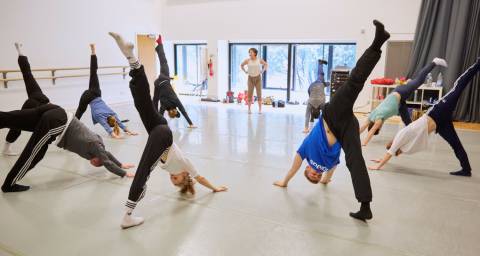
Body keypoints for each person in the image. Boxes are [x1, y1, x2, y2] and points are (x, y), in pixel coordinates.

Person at [273, 20, 391, 222]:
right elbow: (331, 173)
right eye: (316, 178)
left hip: (332, 115)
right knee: (355, 159)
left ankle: (377, 43)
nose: (315, 175)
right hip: (346, 127)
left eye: (311, 175)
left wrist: (284, 181)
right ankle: (365, 205)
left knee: (354, 82)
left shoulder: (306, 154)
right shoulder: (327, 166)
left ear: (307, 169)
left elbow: (293, 167)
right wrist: (324, 180)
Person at [109, 32, 227, 229]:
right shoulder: (186, 166)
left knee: (142, 105)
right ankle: (128, 215)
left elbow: (151, 109)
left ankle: (132, 61)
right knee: (143, 171)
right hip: (164, 135)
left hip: (156, 129)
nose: (173, 178)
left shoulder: (175, 169)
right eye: (177, 179)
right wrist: (215, 188)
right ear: (185, 176)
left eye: (173, 180)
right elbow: (201, 178)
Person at [368, 57, 480, 178]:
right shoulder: (402, 139)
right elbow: (390, 152)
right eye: (392, 143)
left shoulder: (406, 147)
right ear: (395, 144)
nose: (392, 141)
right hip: (439, 116)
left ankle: (466, 169)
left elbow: (390, 152)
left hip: (439, 120)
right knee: (458, 87)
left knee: (458, 88)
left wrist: (381, 161)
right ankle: (466, 169)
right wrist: (379, 165)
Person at [360, 58, 448, 146]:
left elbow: (371, 131)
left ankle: (434, 62)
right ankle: (414, 136)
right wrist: (350, 137)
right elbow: (363, 127)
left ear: (377, 127)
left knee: (419, 81)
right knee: (407, 121)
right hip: (399, 100)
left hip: (400, 92)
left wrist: (364, 143)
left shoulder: (378, 120)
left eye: (378, 129)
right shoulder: (371, 116)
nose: (380, 127)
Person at [75, 44, 138, 138]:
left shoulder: (112, 113)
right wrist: (117, 136)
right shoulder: (100, 117)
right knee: (80, 111)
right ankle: (72, 126)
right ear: (108, 122)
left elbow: (119, 123)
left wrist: (129, 131)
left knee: (93, 72)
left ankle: (93, 51)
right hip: (87, 97)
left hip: (96, 93)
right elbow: (108, 129)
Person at [2, 43, 51, 156]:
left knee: (27, 74)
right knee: (17, 122)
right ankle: (6, 147)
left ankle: (20, 51)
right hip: (36, 101)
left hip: (37, 97)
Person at [151, 35, 196, 128]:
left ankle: (160, 44)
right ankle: (153, 121)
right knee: (155, 101)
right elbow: (160, 113)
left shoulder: (176, 102)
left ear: (176, 110)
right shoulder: (165, 106)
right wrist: (159, 124)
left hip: (164, 79)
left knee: (163, 62)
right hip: (157, 84)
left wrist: (191, 123)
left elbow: (183, 111)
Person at [240, 48, 268, 114]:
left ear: (255, 53)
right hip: (250, 78)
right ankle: (249, 109)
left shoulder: (259, 60)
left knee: (259, 94)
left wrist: (263, 71)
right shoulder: (247, 60)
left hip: (258, 78)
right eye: (249, 52)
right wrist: (245, 71)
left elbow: (266, 64)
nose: (250, 53)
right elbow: (241, 65)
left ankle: (260, 110)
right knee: (250, 94)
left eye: (251, 52)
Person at [304, 59, 328, 133]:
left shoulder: (322, 105)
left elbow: (325, 117)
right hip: (312, 86)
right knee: (321, 76)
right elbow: (307, 116)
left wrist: (306, 129)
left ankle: (320, 63)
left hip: (320, 84)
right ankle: (320, 64)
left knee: (321, 76)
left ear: (319, 111)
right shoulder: (310, 104)